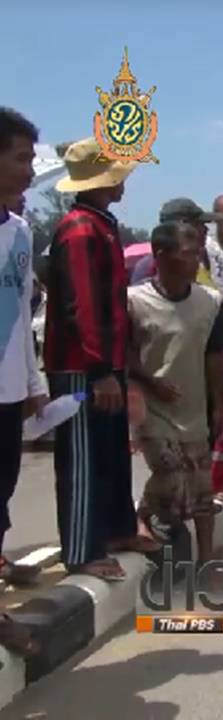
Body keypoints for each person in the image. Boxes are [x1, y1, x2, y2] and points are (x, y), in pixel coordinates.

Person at [45, 138, 158, 582]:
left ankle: (114, 530)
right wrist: (98, 370)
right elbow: (83, 304)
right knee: (81, 460)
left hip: (104, 363)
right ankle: (81, 548)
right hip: (79, 364)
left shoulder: (101, 224)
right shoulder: (79, 229)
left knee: (111, 452)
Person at [127, 222, 223, 565]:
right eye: (187, 253)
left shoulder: (211, 302)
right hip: (153, 409)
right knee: (169, 474)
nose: (195, 260)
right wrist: (151, 382)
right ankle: (140, 516)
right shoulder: (134, 301)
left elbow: (215, 356)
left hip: (195, 406)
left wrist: (218, 402)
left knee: (201, 489)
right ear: (161, 256)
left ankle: (206, 560)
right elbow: (124, 354)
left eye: (198, 253)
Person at [0, 109, 47, 606]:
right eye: (20, 159)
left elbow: (17, 308)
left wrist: (33, 384)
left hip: (10, 389)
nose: (30, 170)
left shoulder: (20, 232)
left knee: (4, 487)